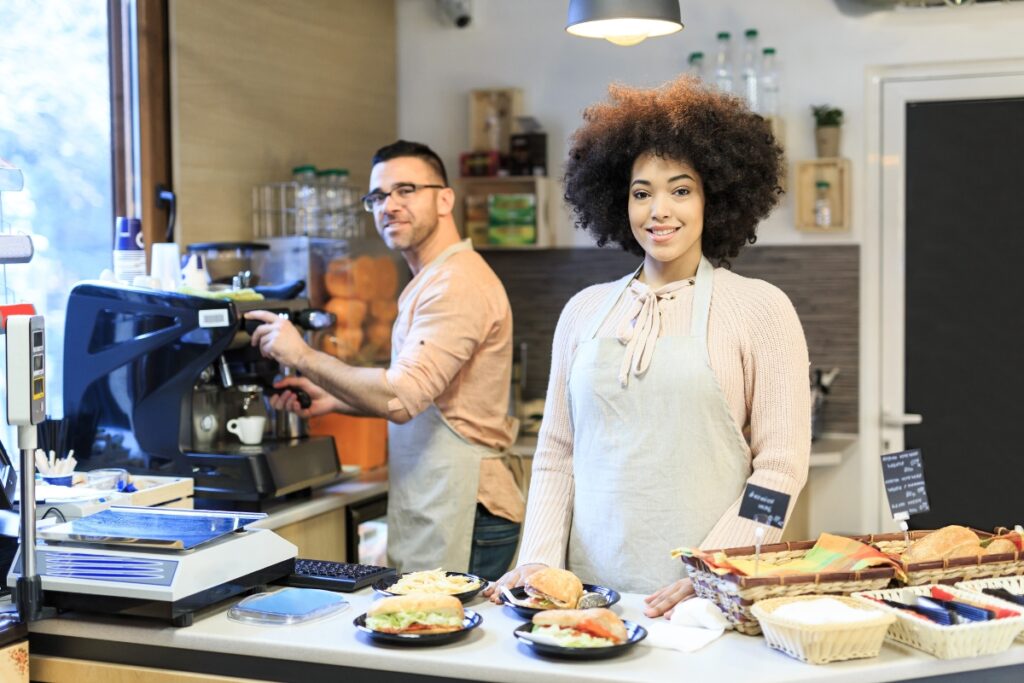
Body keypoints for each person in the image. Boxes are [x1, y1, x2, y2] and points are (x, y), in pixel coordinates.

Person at [485, 76, 811, 616]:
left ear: (716, 197)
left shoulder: (761, 308)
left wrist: (717, 566)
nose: (659, 210)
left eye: (680, 190)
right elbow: (556, 455)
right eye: (642, 193)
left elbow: (780, 470)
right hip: (585, 598)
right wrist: (539, 562)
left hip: (704, 599)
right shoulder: (583, 311)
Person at [248, 140, 523, 579]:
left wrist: (302, 354)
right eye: (377, 197)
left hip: (466, 509)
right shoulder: (432, 277)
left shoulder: (455, 283)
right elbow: (427, 399)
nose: (389, 206)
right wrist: (335, 400)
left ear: (444, 198)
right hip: (445, 501)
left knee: (439, 639)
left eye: (406, 190)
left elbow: (402, 396)